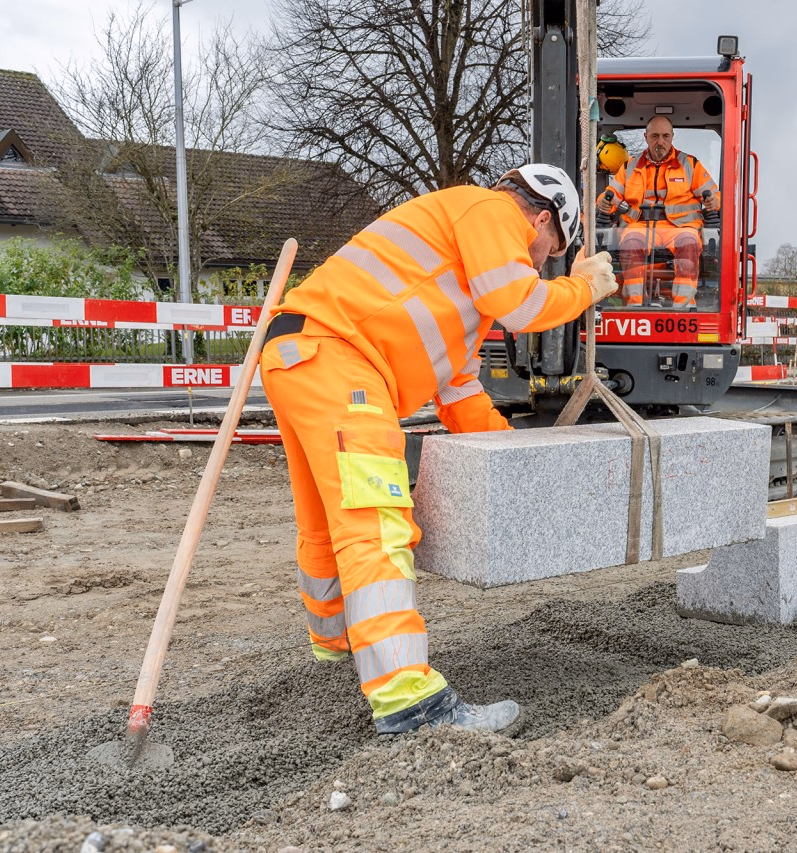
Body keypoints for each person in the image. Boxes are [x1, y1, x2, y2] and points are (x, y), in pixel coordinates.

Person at [259, 164, 616, 735]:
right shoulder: (492, 210)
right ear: (542, 217)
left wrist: (524, 459)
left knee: (328, 522)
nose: (546, 261)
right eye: (552, 251)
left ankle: (334, 650)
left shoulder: (457, 295)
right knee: (377, 523)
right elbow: (522, 305)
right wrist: (583, 289)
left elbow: (461, 396)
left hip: (303, 356)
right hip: (340, 357)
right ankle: (409, 701)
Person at [596, 116, 721, 307]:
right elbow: (611, 194)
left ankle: (684, 306)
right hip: (640, 226)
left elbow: (715, 195)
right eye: (655, 136)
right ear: (646, 137)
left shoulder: (690, 164)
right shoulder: (630, 166)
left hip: (681, 226)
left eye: (665, 136)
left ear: (672, 137)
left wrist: (714, 201)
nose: (660, 141)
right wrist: (605, 204)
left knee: (689, 243)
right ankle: (634, 305)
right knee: (631, 242)